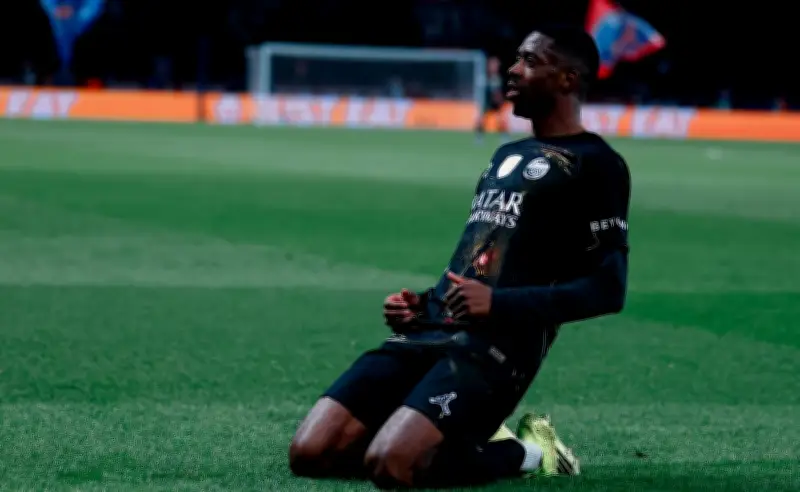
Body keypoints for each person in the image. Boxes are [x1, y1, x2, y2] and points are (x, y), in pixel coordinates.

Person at [289, 24, 631, 489]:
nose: (513, 69)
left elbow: (609, 288)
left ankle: (529, 453)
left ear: (568, 79)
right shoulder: (506, 155)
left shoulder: (598, 165)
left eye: (530, 61)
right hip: (431, 329)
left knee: (392, 465)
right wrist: (423, 303)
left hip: (495, 348)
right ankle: (444, 437)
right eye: (517, 58)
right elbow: (481, 261)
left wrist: (497, 306)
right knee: (310, 454)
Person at [475, 56, 509, 142]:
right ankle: (479, 137)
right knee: (481, 120)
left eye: (496, 65)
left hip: (496, 103)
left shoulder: (498, 78)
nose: (494, 67)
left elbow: (498, 93)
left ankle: (504, 136)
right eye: (493, 65)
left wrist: (500, 101)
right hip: (486, 103)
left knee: (500, 120)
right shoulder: (484, 77)